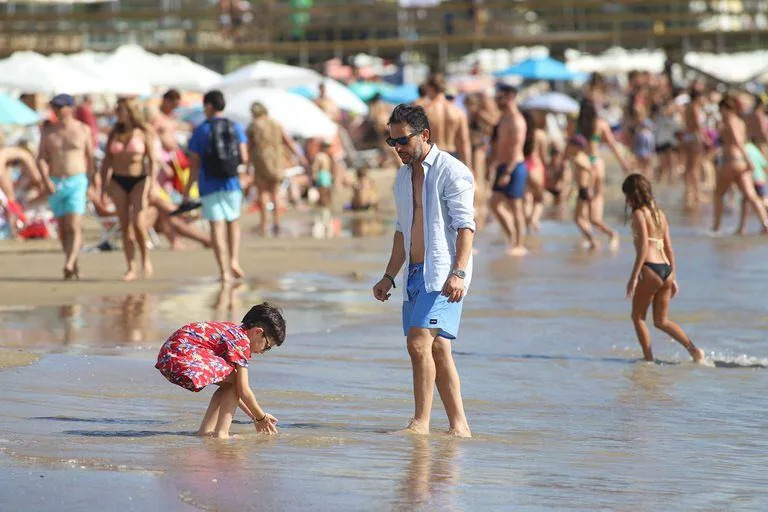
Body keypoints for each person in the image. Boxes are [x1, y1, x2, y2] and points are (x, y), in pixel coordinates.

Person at [372, 104, 475, 438]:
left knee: (418, 344)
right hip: (414, 274)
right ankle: (460, 427)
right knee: (437, 350)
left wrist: (458, 273)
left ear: (424, 135)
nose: (397, 148)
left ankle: (420, 423)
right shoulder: (402, 177)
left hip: (443, 274)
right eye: (392, 142)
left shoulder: (452, 171)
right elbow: (403, 230)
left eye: (402, 141)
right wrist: (389, 275)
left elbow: (465, 227)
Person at [155, 302, 286, 439]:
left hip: (167, 358)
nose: (264, 351)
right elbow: (243, 390)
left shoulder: (232, 331)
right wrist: (261, 417)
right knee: (236, 380)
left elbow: (235, 392)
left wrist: (255, 416)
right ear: (257, 332)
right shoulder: (241, 341)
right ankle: (222, 434)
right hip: (183, 356)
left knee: (231, 383)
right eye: (267, 346)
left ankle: (205, 432)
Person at [622, 174, 706, 363]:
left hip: (650, 268)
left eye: (626, 195)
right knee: (662, 321)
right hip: (666, 269)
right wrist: (674, 276)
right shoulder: (660, 214)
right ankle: (694, 351)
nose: (626, 200)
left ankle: (648, 359)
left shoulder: (639, 214)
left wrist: (634, 276)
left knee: (637, 317)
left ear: (632, 194)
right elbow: (669, 248)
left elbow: (644, 246)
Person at [185, 90, 249, 282]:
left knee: (217, 226)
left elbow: (194, 163)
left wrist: (188, 189)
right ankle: (235, 261)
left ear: (209, 106)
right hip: (231, 182)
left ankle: (224, 271)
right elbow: (244, 157)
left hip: (209, 183)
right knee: (233, 222)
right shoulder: (235, 127)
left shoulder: (201, 130)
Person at [37, 94, 94, 280]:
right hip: (55, 180)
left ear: (70, 108)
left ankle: (68, 263)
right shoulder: (48, 131)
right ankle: (73, 265)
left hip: (77, 179)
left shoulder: (82, 130)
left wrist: (94, 182)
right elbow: (42, 159)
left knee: (74, 225)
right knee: (63, 229)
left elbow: (91, 159)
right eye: (55, 107)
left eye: (60, 107)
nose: (57, 111)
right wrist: (46, 180)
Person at [100, 98, 157, 280]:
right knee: (125, 226)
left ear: (131, 112)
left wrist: (152, 183)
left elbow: (153, 161)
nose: (118, 113)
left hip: (139, 179)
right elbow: (107, 161)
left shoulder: (143, 132)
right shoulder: (114, 133)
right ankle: (131, 266)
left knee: (139, 224)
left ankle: (146, 260)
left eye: (121, 110)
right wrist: (103, 185)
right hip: (117, 180)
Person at [246, 101, 306, 236]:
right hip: (277, 160)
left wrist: (247, 165)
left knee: (263, 193)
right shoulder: (276, 123)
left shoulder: (253, 126)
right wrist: (300, 158)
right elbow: (288, 142)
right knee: (275, 192)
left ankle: (264, 223)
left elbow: (249, 147)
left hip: (260, 161)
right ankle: (277, 222)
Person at [712, 94, 768, 235]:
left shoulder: (729, 121)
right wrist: (748, 161)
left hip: (730, 161)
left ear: (725, 109)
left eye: (721, 110)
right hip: (741, 162)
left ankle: (716, 228)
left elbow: (737, 142)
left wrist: (749, 161)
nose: (720, 113)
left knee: (718, 195)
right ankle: (765, 223)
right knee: (751, 195)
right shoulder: (740, 122)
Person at [489, 84, 528, 256]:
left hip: (515, 167)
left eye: (500, 97)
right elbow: (500, 146)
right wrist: (494, 164)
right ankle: (511, 236)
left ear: (510, 97)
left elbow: (516, 147)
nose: (497, 100)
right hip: (503, 165)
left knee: (515, 207)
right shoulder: (503, 118)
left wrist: (508, 171)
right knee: (494, 204)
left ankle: (519, 244)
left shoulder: (517, 120)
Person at [567, 135, 619, 250]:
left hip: (584, 190)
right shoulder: (581, 157)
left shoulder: (579, 158)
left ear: (576, 147)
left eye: (570, 145)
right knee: (588, 219)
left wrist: (589, 187)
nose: (568, 147)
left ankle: (597, 239)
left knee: (580, 219)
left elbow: (591, 171)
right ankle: (594, 239)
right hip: (583, 189)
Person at [422, 73, 471, 165]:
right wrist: (469, 167)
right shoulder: (457, 111)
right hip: (452, 156)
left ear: (430, 87)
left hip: (432, 155)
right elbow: (464, 142)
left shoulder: (426, 111)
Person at [681, 89, 708, 209]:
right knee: (695, 167)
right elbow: (697, 124)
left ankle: (688, 192)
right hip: (694, 137)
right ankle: (696, 193)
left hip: (687, 137)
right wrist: (705, 138)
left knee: (688, 166)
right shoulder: (695, 107)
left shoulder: (687, 107)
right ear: (698, 97)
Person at [736, 141, 768, 235]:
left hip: (749, 179)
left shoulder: (742, 149)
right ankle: (741, 228)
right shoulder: (754, 149)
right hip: (759, 179)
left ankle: (742, 228)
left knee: (755, 202)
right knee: (750, 201)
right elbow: (764, 164)